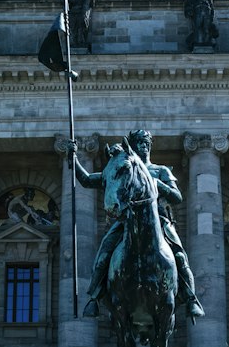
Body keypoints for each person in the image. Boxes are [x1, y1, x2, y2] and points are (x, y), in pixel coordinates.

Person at [69, 130, 204, 319]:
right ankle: (94, 297)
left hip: (160, 222)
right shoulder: (121, 169)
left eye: (146, 142)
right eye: (139, 142)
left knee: (180, 257)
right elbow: (87, 180)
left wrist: (159, 185)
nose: (144, 146)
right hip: (126, 223)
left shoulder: (160, 171)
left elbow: (177, 197)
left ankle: (191, 298)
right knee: (104, 253)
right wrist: (73, 158)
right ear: (132, 146)